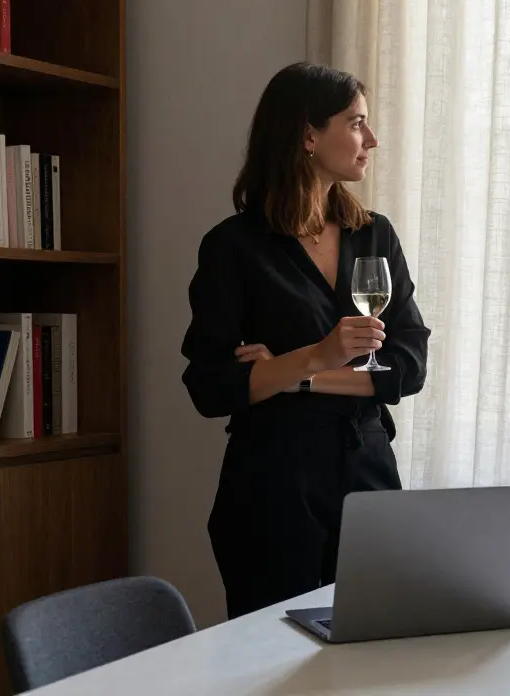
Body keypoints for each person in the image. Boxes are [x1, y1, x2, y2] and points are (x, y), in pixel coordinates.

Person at [180, 62, 431, 619]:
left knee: (376, 650)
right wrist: (319, 354)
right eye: (356, 122)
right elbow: (210, 385)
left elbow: (408, 365)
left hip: (367, 475)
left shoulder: (374, 235)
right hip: (272, 487)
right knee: (272, 660)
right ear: (309, 134)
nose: (372, 139)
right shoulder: (233, 247)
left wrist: (296, 376)